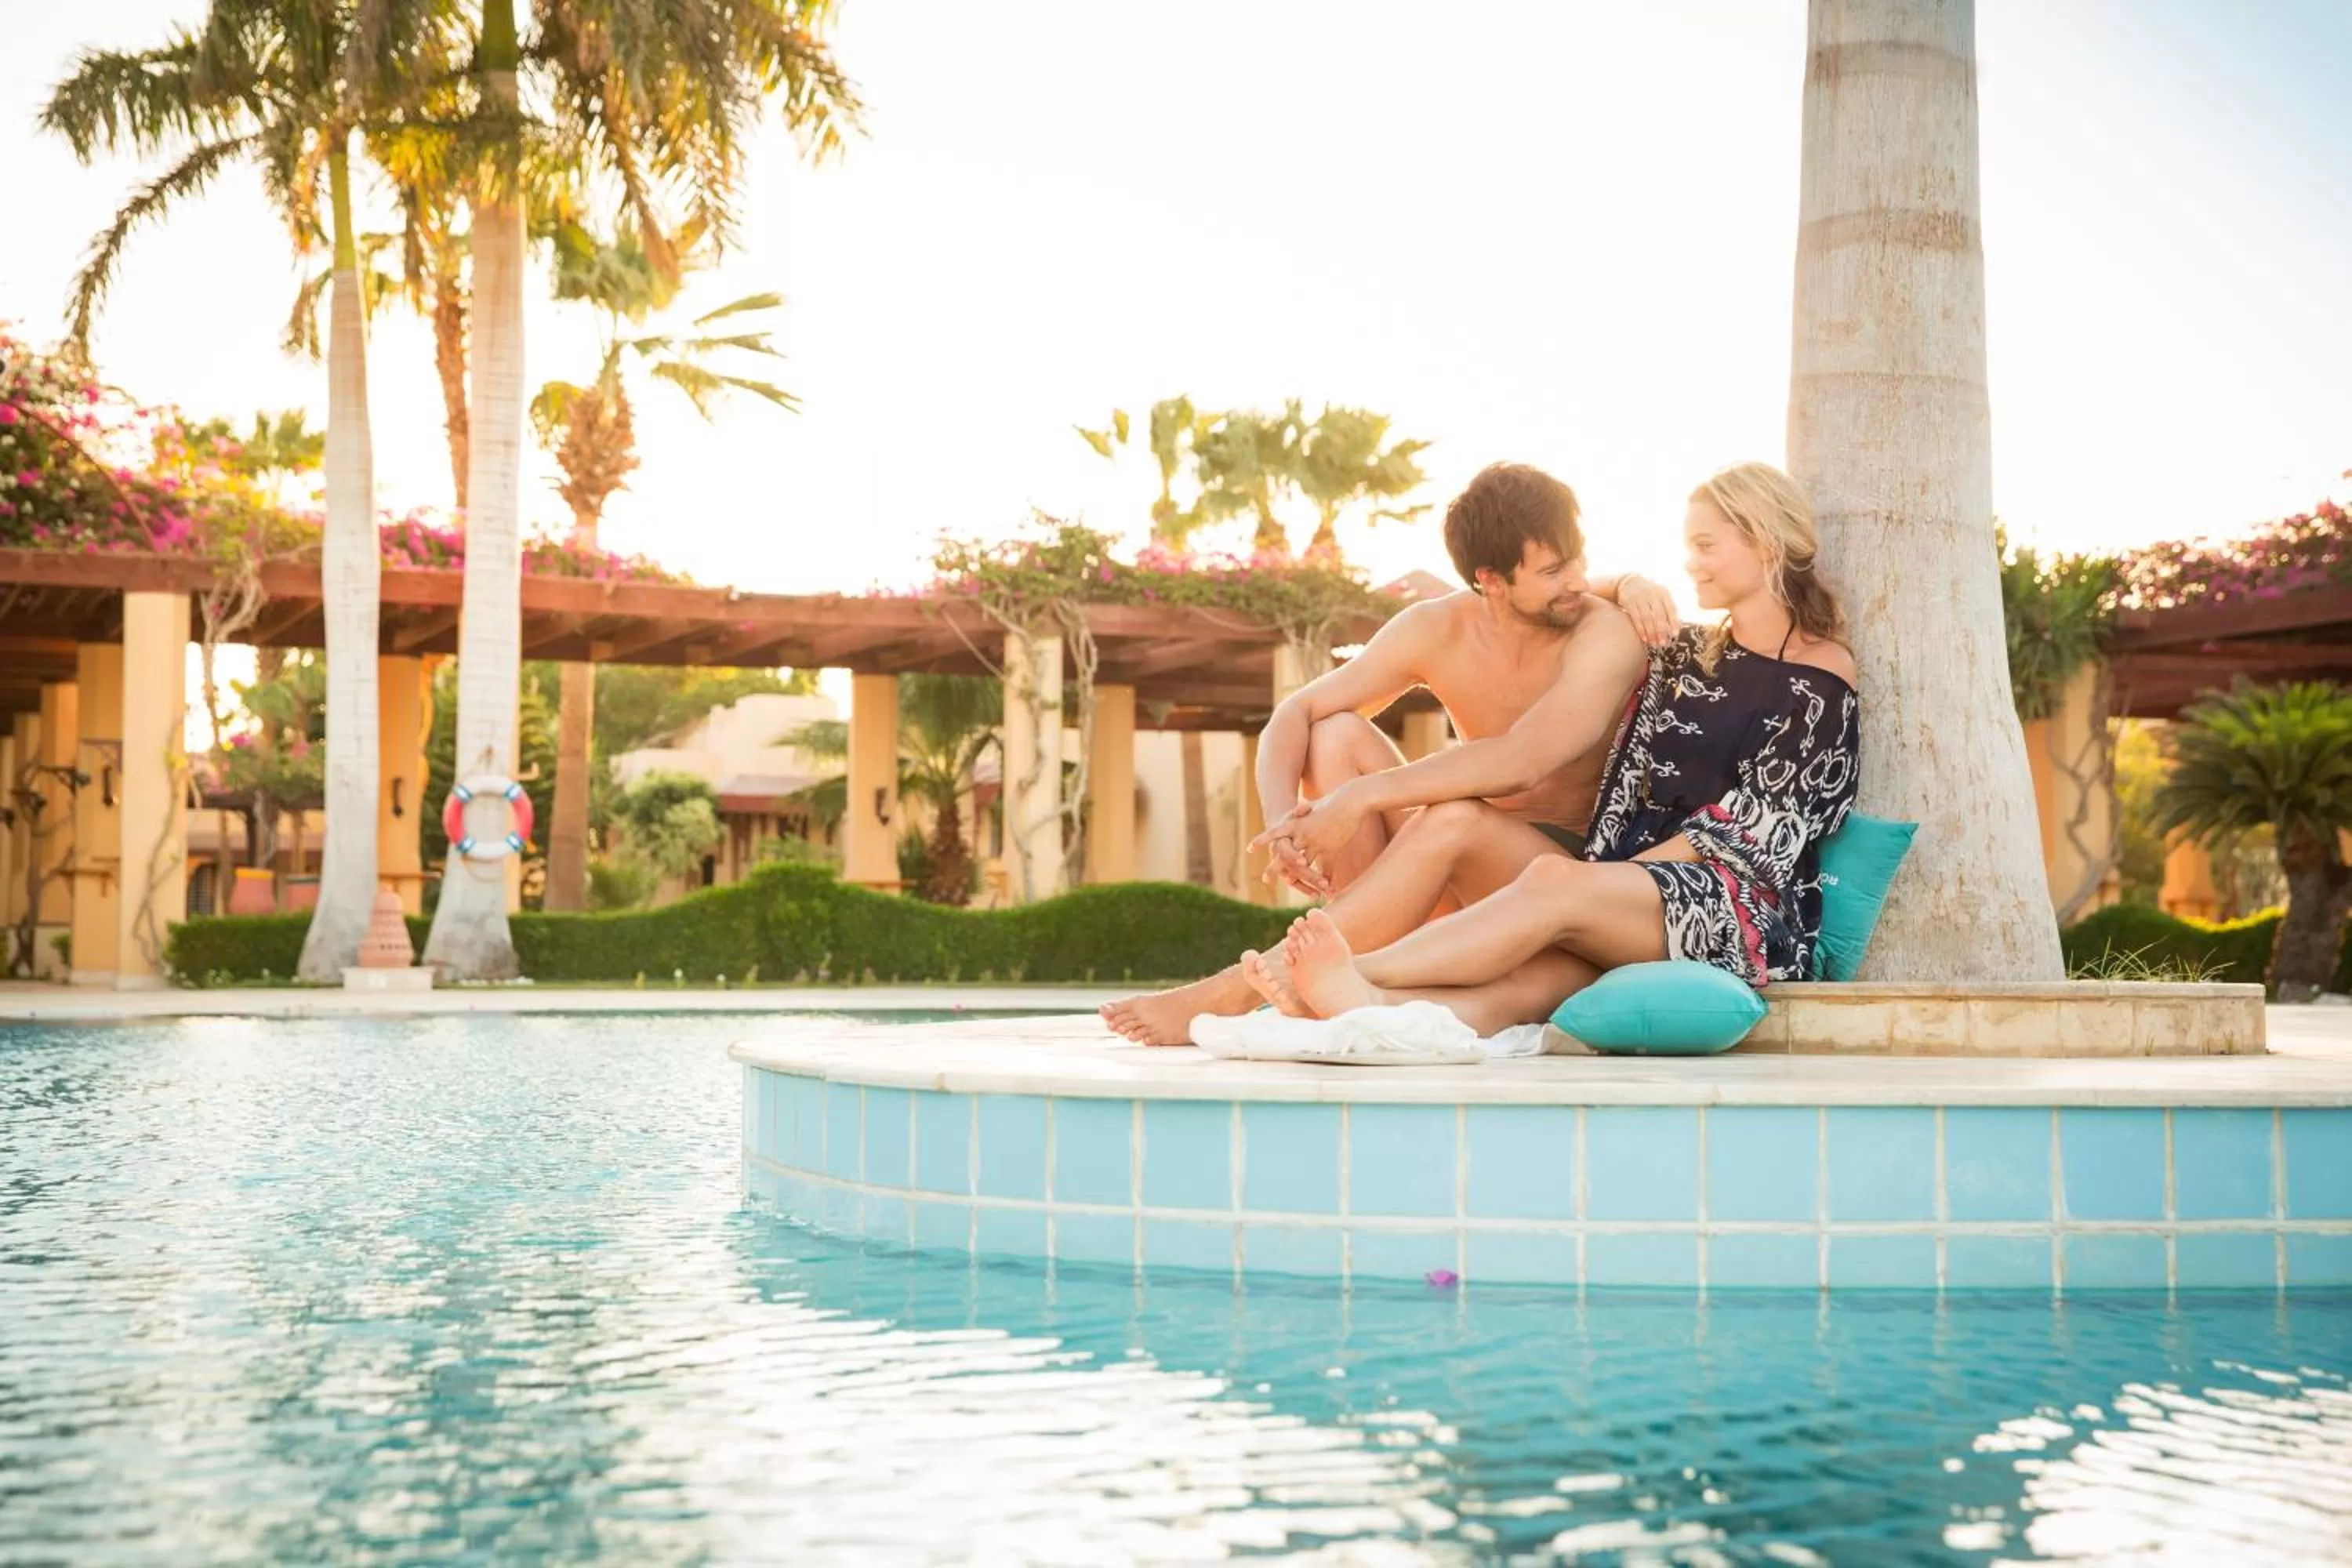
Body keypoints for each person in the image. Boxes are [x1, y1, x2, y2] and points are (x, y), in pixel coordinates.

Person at [1251, 461, 1860, 1035]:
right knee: (1525, 986)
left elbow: (1759, 830)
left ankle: (1357, 970)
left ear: (1768, 544)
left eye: (1706, 546)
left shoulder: (1824, 675)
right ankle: (1365, 1000)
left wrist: (1608, 881)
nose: (1691, 564)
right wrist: (1627, 581)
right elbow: (1567, 597)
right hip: (1620, 892)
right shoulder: (1678, 650)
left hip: (1736, 907)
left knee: (1551, 883)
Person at [1099, 461, 1674, 1046]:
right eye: (1553, 570)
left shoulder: (1603, 633)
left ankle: (1237, 990)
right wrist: (1286, 824)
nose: (1577, 579)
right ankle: (1343, 960)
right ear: (1492, 581)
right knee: (1336, 733)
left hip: (1562, 871)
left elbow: (1524, 757)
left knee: (1455, 818)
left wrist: (1358, 798)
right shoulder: (1436, 628)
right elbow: (1296, 713)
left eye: (1577, 559)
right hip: (1448, 879)